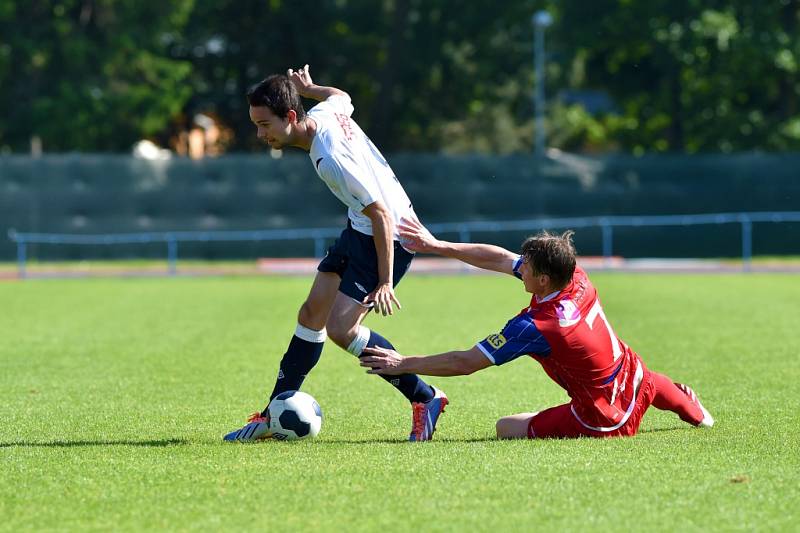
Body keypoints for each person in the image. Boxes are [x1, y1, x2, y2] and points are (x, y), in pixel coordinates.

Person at [223, 65, 447, 442]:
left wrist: (385, 281)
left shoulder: (331, 160)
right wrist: (311, 89)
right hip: (360, 229)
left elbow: (381, 215)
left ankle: (425, 398)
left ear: (291, 117)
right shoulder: (324, 113)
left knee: (342, 330)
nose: (261, 135)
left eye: (265, 125)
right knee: (311, 314)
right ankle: (272, 412)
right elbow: (340, 96)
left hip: (387, 236)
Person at [359, 220, 714, 439]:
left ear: (542, 279)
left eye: (525, 267)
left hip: (604, 418)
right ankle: (695, 412)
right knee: (652, 382)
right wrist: (437, 246)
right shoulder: (574, 276)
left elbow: (465, 362)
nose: (519, 268)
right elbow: (499, 258)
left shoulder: (536, 326)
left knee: (505, 427)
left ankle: (685, 408)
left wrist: (402, 363)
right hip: (635, 377)